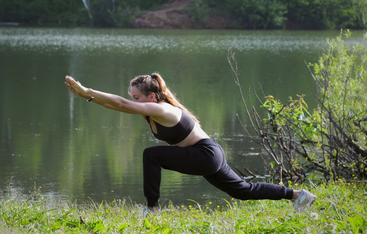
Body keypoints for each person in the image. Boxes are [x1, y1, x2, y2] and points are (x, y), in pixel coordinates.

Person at [64, 73, 316, 213]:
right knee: (242, 192)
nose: (133, 101)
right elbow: (116, 105)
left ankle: (151, 209)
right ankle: (298, 195)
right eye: (133, 97)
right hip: (209, 154)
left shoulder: (163, 110)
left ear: (151, 96)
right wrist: (86, 97)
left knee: (151, 155)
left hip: (205, 154)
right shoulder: (150, 110)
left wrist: (88, 90)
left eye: (137, 97)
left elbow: (119, 103)